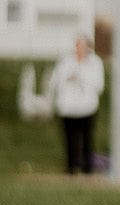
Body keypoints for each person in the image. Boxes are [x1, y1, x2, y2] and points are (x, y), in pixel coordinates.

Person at [45, 33, 106, 176]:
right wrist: (68, 77)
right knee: (69, 139)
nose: (79, 48)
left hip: (87, 107)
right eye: (77, 45)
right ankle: (71, 167)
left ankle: (87, 168)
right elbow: (55, 81)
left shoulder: (95, 62)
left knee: (87, 139)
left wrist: (81, 77)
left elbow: (99, 85)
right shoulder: (66, 61)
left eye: (82, 45)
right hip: (68, 107)